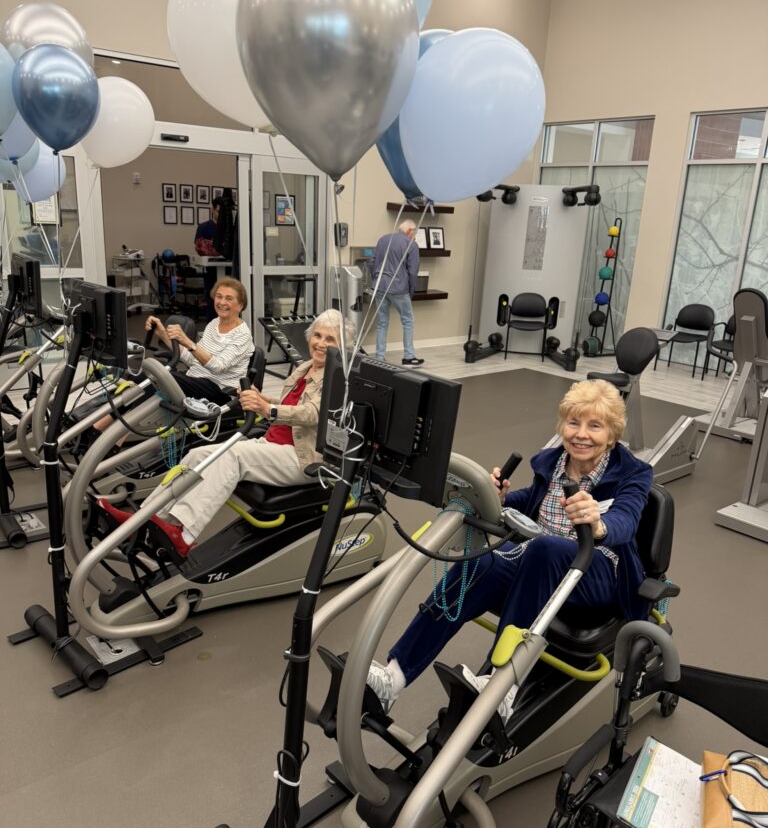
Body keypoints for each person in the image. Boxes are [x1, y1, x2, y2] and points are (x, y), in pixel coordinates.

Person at [365, 379, 654, 721]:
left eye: (595, 426)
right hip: (540, 564)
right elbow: (533, 500)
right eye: (573, 423)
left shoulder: (633, 474)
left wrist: (599, 524)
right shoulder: (554, 463)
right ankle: (394, 678)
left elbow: (627, 519)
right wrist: (495, 497)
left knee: (544, 548)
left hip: (595, 573)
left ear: (612, 435)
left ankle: (502, 687)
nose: (581, 434)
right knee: (480, 563)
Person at [98, 309, 355, 559]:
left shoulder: (338, 377)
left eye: (330, 339)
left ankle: (183, 534)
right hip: (272, 443)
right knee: (198, 455)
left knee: (232, 457)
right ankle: (144, 518)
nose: (321, 343)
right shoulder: (306, 367)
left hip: (301, 456)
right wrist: (261, 398)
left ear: (342, 347)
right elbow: (291, 404)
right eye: (318, 336)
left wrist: (267, 408)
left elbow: (313, 413)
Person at [93, 277, 254, 433]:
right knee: (145, 377)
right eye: (219, 296)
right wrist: (163, 334)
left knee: (157, 379)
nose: (222, 302)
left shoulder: (243, 335)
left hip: (219, 390)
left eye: (229, 298)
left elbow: (218, 366)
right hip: (195, 379)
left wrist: (188, 342)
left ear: (240, 305)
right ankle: (103, 426)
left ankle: (111, 434)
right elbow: (192, 360)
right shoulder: (214, 324)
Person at [370, 219, 423, 366]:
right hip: (399, 288)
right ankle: (409, 356)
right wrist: (411, 291)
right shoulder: (411, 244)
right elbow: (413, 271)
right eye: (414, 233)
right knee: (408, 320)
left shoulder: (383, 239)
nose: (414, 236)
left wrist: (376, 279)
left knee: (382, 322)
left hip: (380, 286)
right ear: (410, 231)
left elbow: (372, 262)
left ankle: (379, 357)